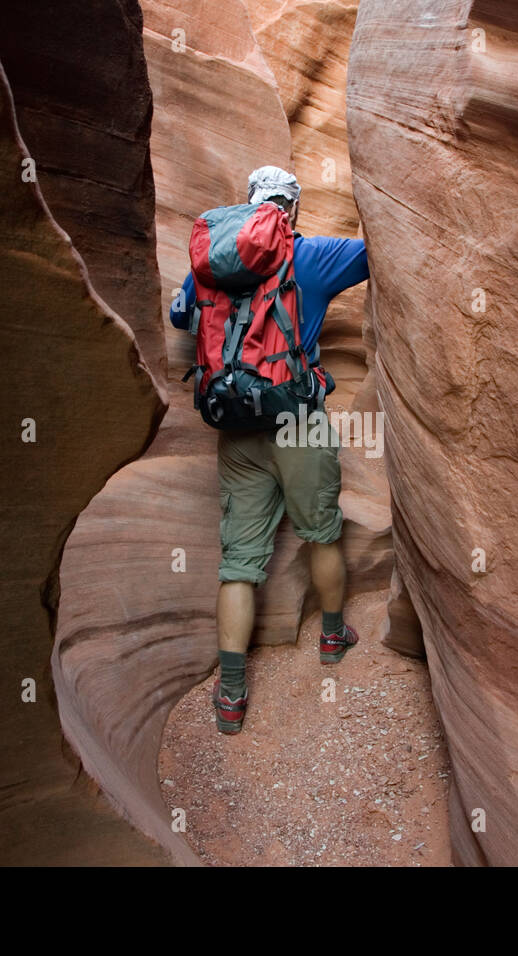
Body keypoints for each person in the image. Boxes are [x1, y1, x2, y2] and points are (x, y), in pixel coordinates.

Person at [169, 165, 370, 734]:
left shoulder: (208, 266)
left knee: (238, 564)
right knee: (322, 533)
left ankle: (231, 696)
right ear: (293, 211)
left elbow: (179, 315)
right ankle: (333, 638)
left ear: (250, 208)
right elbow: (379, 250)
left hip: (235, 427)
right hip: (299, 423)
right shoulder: (311, 255)